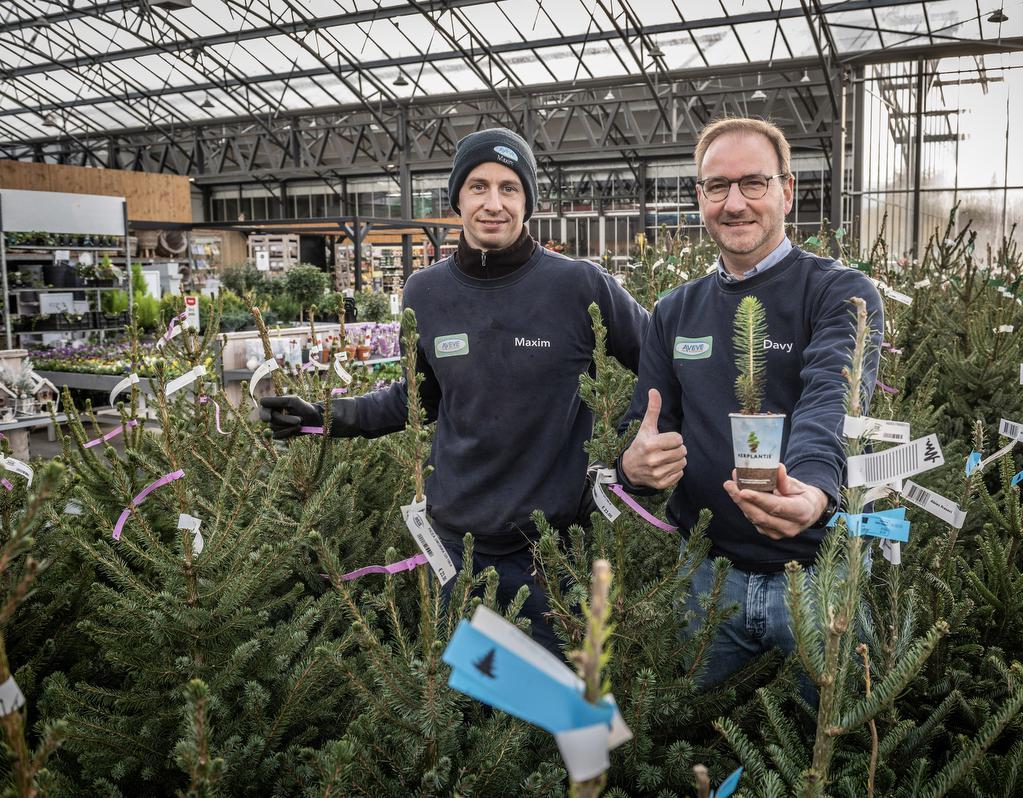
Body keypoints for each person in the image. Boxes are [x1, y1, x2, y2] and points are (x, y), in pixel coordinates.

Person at [260, 128, 649, 653]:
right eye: (479, 187)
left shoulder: (579, 284)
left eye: (510, 188)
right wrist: (321, 416)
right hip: (456, 552)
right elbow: (415, 399)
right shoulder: (426, 291)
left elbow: (660, 366)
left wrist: (619, 461)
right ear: (457, 200)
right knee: (468, 711)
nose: (494, 204)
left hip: (552, 555)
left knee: (556, 715)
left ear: (528, 201)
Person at [615, 117, 884, 689]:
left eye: (753, 184)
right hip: (705, 578)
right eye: (718, 186)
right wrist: (633, 467)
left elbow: (831, 399)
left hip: (815, 576)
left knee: (836, 746)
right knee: (697, 733)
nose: (734, 203)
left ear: (787, 189)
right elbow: (649, 422)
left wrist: (811, 490)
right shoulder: (673, 311)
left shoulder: (838, 292)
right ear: (700, 198)